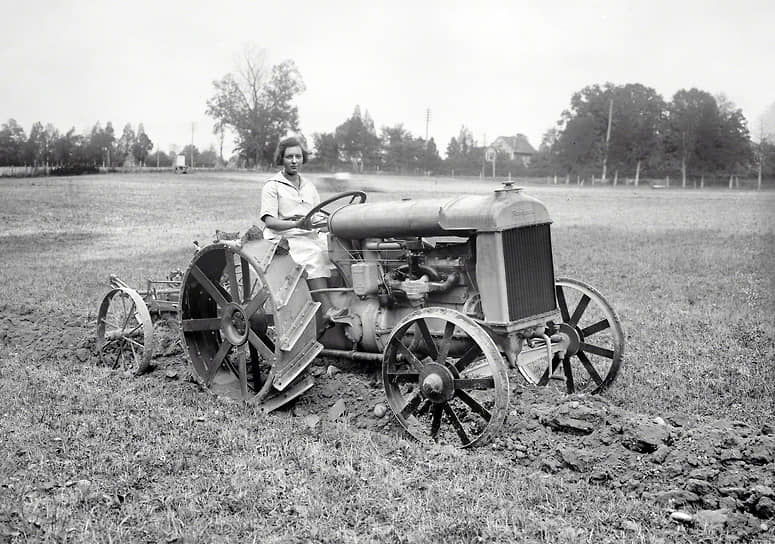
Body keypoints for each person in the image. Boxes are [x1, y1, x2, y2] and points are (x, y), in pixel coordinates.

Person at [259, 137, 334, 316]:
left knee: (335, 249)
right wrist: (297, 224)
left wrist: (329, 224)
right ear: (281, 159)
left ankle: (346, 300)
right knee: (314, 254)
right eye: (289, 157)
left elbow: (317, 216)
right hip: (283, 238)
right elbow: (269, 221)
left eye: (298, 157)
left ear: (303, 159)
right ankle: (327, 309)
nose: (294, 161)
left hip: (307, 235)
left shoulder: (309, 186)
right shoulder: (272, 186)